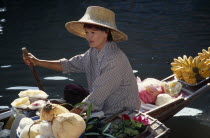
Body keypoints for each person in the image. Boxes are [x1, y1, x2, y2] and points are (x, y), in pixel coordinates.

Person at [23, 6, 141, 115]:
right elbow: (69, 65)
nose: (88, 37)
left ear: (106, 33)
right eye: (87, 33)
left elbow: (96, 97)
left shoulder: (114, 60)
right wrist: (37, 62)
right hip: (101, 101)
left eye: (93, 33)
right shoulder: (94, 51)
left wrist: (68, 116)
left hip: (119, 111)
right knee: (70, 89)